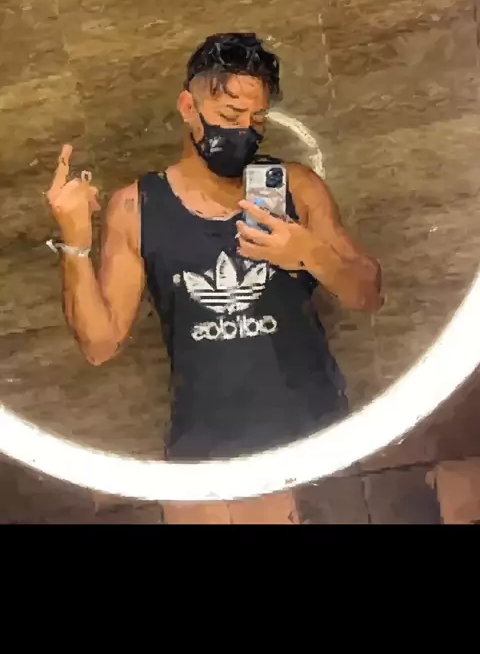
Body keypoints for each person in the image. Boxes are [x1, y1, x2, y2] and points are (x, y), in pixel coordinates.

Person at [46, 32, 383, 524]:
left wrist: (309, 253)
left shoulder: (296, 187)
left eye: (257, 119)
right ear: (189, 106)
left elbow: (368, 294)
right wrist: (75, 240)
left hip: (311, 441)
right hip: (204, 453)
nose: (245, 130)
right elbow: (100, 345)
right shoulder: (136, 207)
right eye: (230, 115)